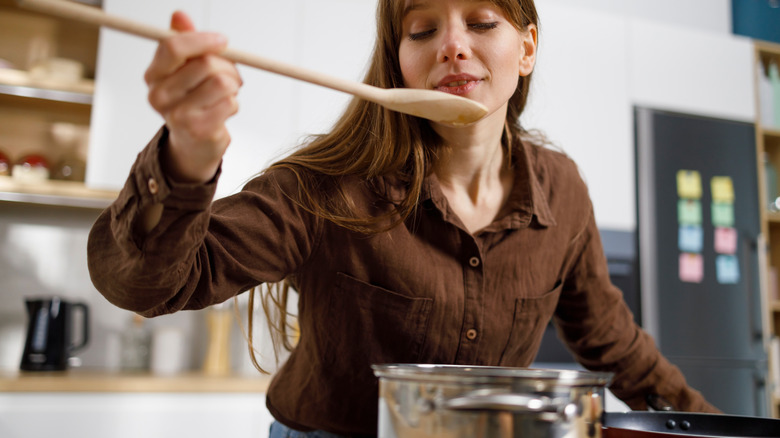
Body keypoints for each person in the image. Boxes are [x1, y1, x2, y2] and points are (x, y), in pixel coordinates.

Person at [87, 0, 720, 436]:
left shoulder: (564, 191)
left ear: (526, 48)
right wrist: (188, 152)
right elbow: (147, 283)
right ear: (400, 61)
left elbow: (616, 345)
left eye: (481, 22)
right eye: (422, 31)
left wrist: (712, 428)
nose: (452, 46)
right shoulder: (327, 186)